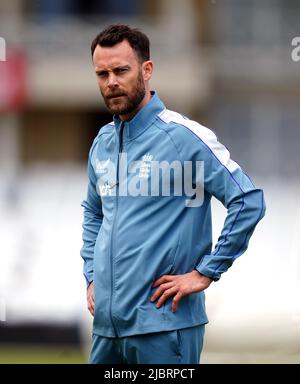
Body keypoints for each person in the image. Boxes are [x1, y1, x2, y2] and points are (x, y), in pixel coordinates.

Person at [80, 24, 266, 364]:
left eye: (121, 70)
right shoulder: (102, 143)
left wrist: (206, 271)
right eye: (102, 73)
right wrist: (92, 276)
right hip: (106, 330)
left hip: (165, 329)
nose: (112, 82)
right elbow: (93, 212)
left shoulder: (186, 138)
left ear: (147, 70)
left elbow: (248, 200)